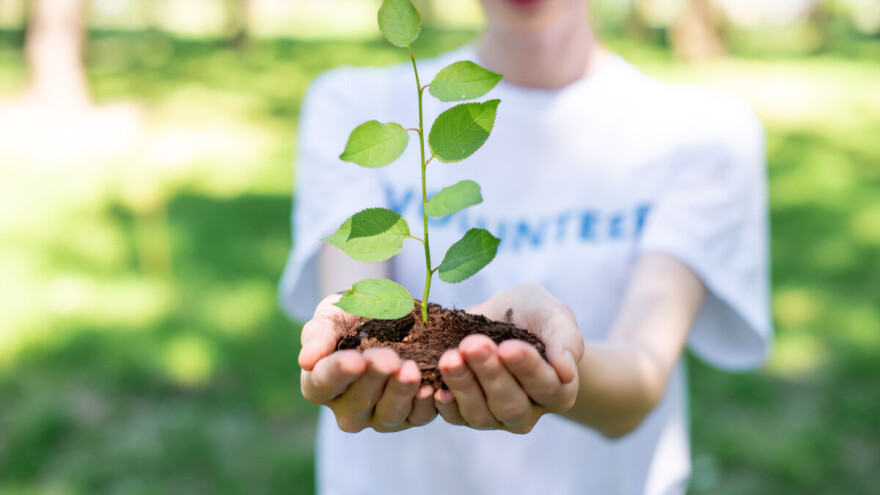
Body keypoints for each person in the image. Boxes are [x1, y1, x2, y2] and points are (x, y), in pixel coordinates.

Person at [279, 0, 772, 493]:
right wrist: (353, 337)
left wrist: (553, 363)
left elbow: (638, 380)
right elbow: (351, 299)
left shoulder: (705, 134)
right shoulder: (352, 103)